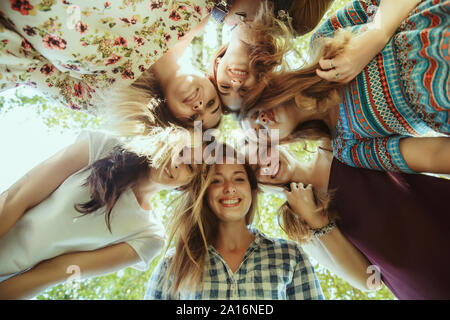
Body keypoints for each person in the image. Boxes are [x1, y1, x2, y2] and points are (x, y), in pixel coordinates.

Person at [241, 0, 450, 174]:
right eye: (262, 131)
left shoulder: (321, 40)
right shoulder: (347, 148)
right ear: (283, 141)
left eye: (256, 110)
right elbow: (433, 156)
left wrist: (378, 33)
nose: (262, 119)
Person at [0, 127, 197, 299]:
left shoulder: (149, 236)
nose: (177, 162)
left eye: (189, 166)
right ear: (170, 136)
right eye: (181, 151)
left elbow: (55, 272)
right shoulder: (104, 146)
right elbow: (18, 197)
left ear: (184, 186)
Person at [256, 141, 450, 299]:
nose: (265, 164)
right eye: (254, 169)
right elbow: (367, 281)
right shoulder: (301, 227)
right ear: (258, 187)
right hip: (429, 286)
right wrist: (316, 220)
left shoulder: (331, 144)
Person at [145, 145, 324, 299]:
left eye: (239, 178)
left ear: (251, 189)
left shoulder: (289, 256)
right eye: (216, 180)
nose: (229, 188)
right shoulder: (175, 262)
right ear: (204, 193)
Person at [210, 0, 334, 111]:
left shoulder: (212, 6)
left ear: (217, 64)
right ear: (259, 84)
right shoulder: (300, 22)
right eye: (244, 91)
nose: (236, 84)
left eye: (225, 87)